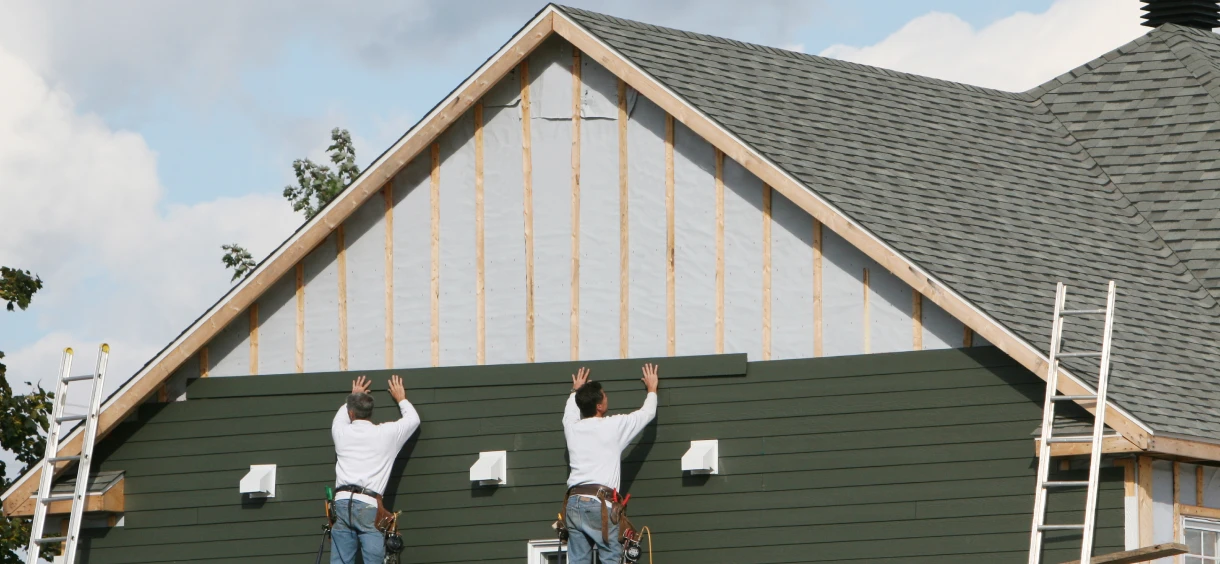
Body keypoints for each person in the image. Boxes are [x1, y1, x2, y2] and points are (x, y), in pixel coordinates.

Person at [562, 363, 660, 564]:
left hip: (573, 503)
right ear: (599, 406)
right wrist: (652, 389)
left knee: (578, 561)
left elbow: (570, 412)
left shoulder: (572, 428)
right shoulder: (612, 426)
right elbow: (646, 414)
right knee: (611, 558)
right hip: (599, 504)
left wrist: (576, 390)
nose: (607, 397)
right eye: (604, 395)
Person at [330, 374, 419, 564]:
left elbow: (341, 415)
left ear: (352, 413)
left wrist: (355, 395)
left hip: (342, 502)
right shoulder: (386, 434)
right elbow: (413, 420)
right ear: (371, 412)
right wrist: (401, 398)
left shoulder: (340, 431)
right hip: (368, 505)